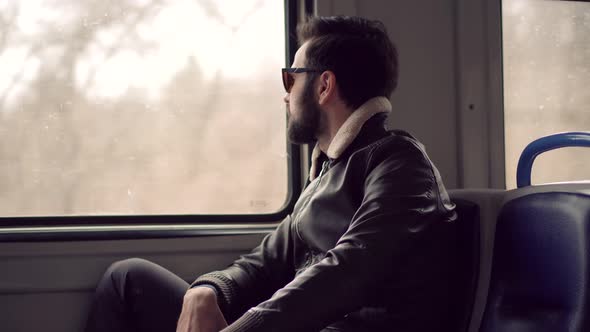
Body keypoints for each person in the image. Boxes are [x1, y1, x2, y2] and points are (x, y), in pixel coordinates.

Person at [84, 15, 457, 332]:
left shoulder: (400, 164)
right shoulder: (327, 173)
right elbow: (263, 264)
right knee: (128, 279)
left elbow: (351, 269)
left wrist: (247, 326)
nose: (285, 96)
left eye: (290, 79)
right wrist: (211, 290)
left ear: (324, 86)